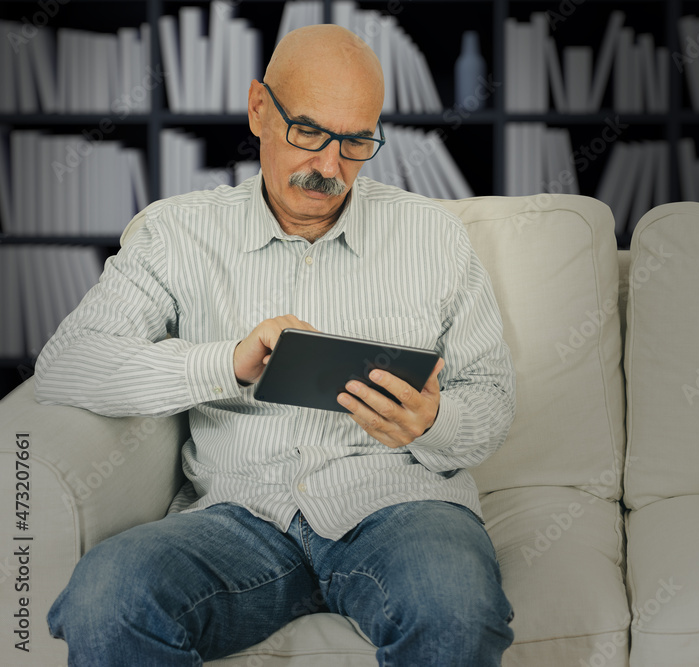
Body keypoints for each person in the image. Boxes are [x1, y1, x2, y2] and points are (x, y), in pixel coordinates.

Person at [36, 24, 516, 666]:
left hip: (400, 509)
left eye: (355, 143)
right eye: (310, 133)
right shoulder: (177, 234)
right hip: (238, 517)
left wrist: (433, 422)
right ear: (261, 108)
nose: (329, 167)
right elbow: (68, 365)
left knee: (456, 608)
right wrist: (227, 363)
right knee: (104, 598)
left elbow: (489, 401)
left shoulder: (436, 239)